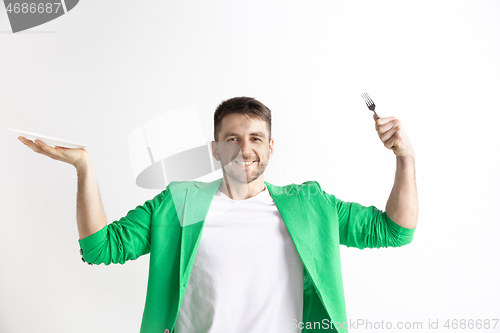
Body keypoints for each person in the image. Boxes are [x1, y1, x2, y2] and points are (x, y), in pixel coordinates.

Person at [19, 96, 418, 333]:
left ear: (271, 146)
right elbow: (99, 247)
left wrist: (405, 157)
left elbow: (395, 230)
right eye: (232, 139)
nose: (244, 150)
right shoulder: (179, 203)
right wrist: (84, 167)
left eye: (255, 138)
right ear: (215, 149)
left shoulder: (311, 205)